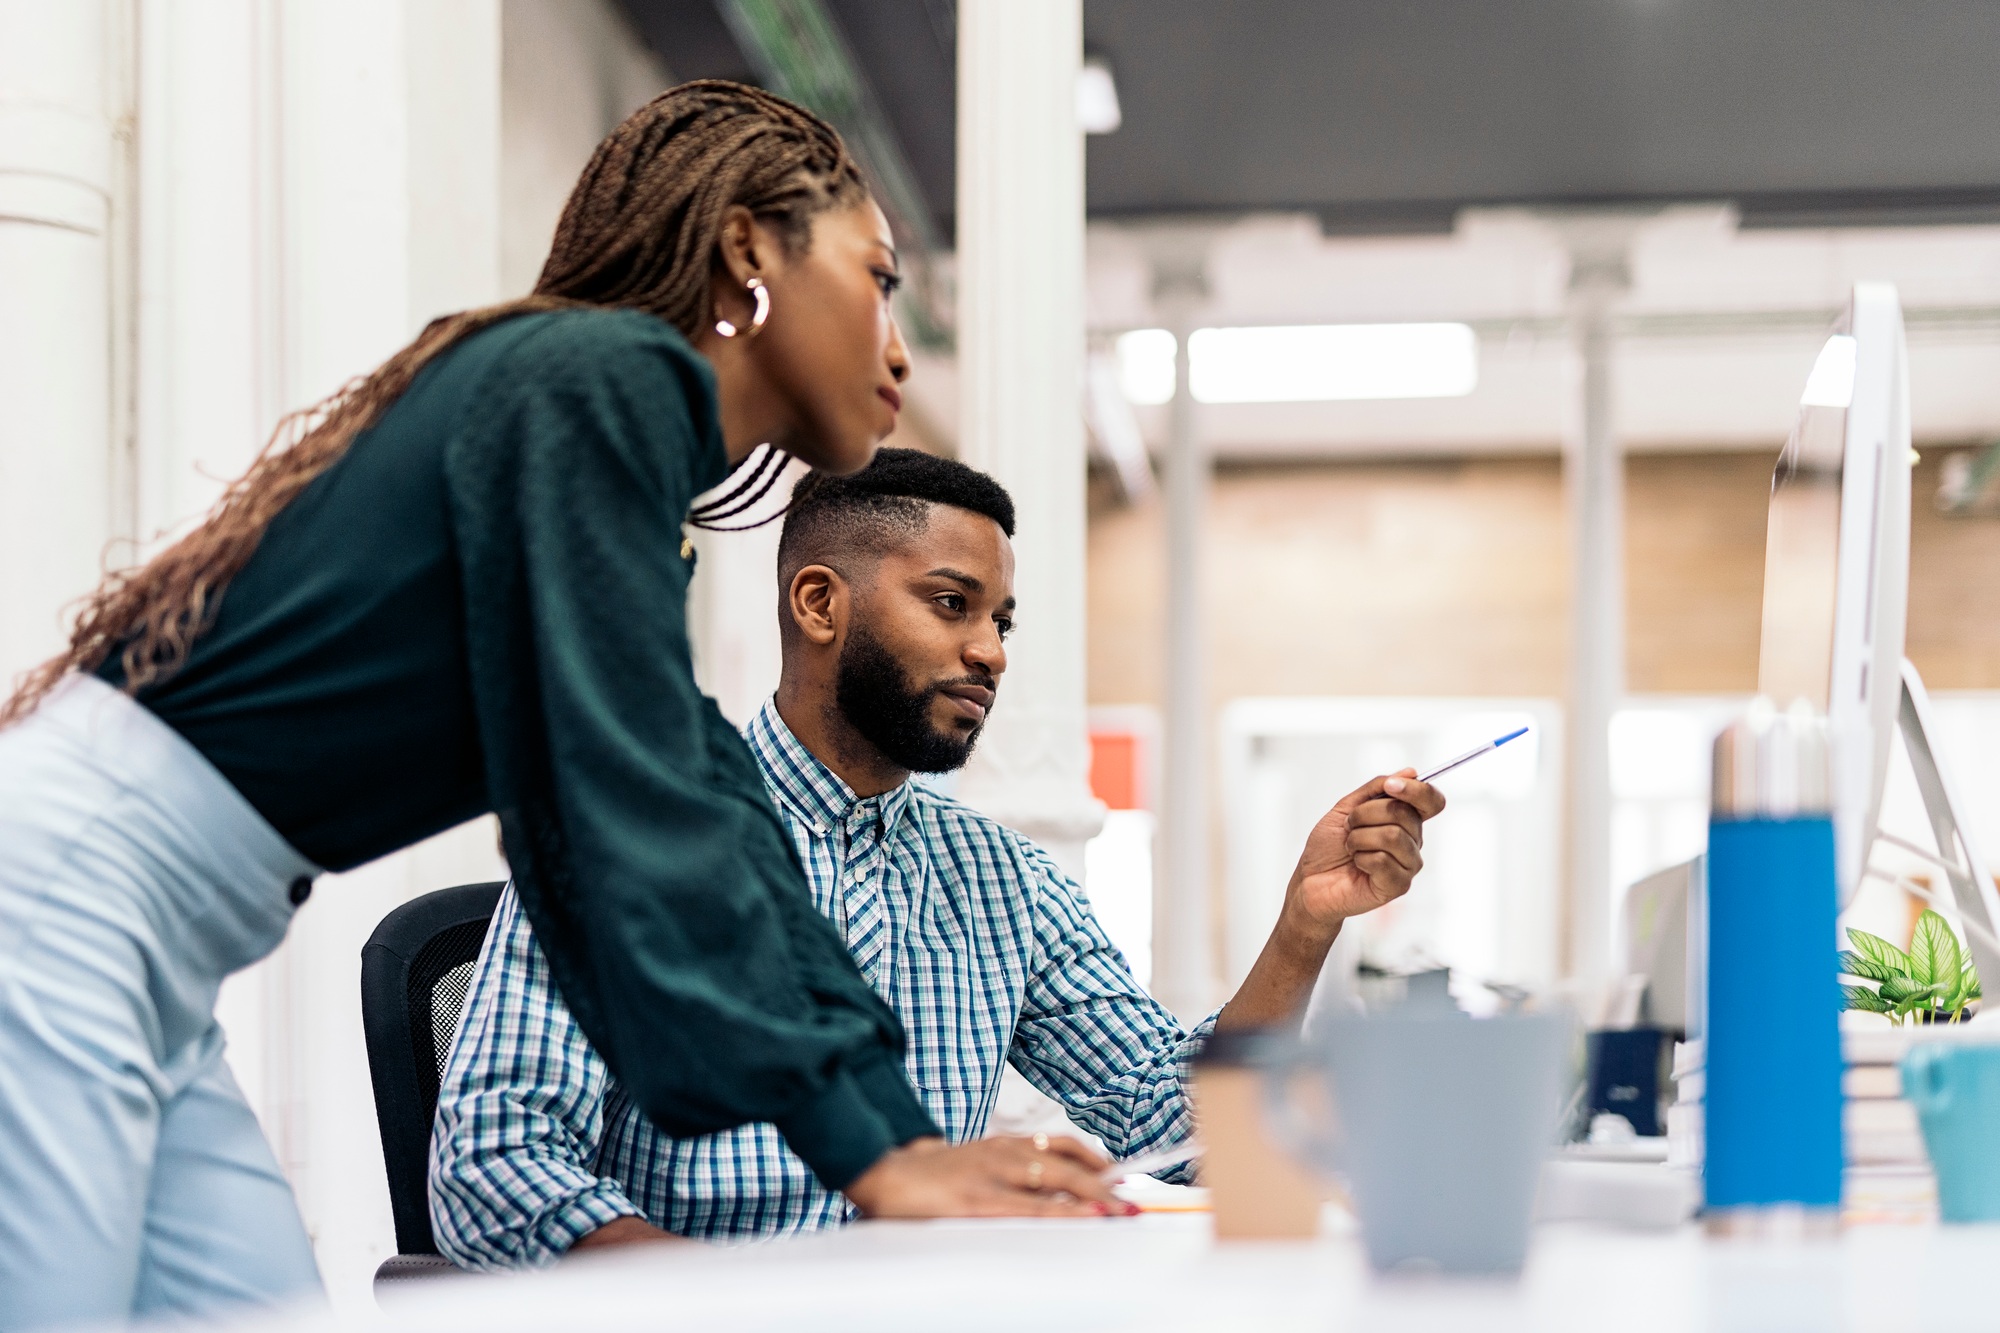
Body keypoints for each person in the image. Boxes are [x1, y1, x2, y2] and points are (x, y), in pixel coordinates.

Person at [0, 83, 1119, 1333]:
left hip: (150, 945)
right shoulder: (603, 380)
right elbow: (647, 805)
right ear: (747, 249)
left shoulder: (616, 456)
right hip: (60, 902)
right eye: (877, 279)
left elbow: (686, 794)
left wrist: (885, 1134)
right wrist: (875, 1153)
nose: (898, 348)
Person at [428, 449, 1446, 1264]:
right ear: (818, 604)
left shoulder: (1001, 881)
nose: (991, 650)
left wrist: (1304, 922)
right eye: (952, 603)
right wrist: (734, 1304)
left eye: (1000, 621)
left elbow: (1174, 1130)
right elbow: (494, 1163)